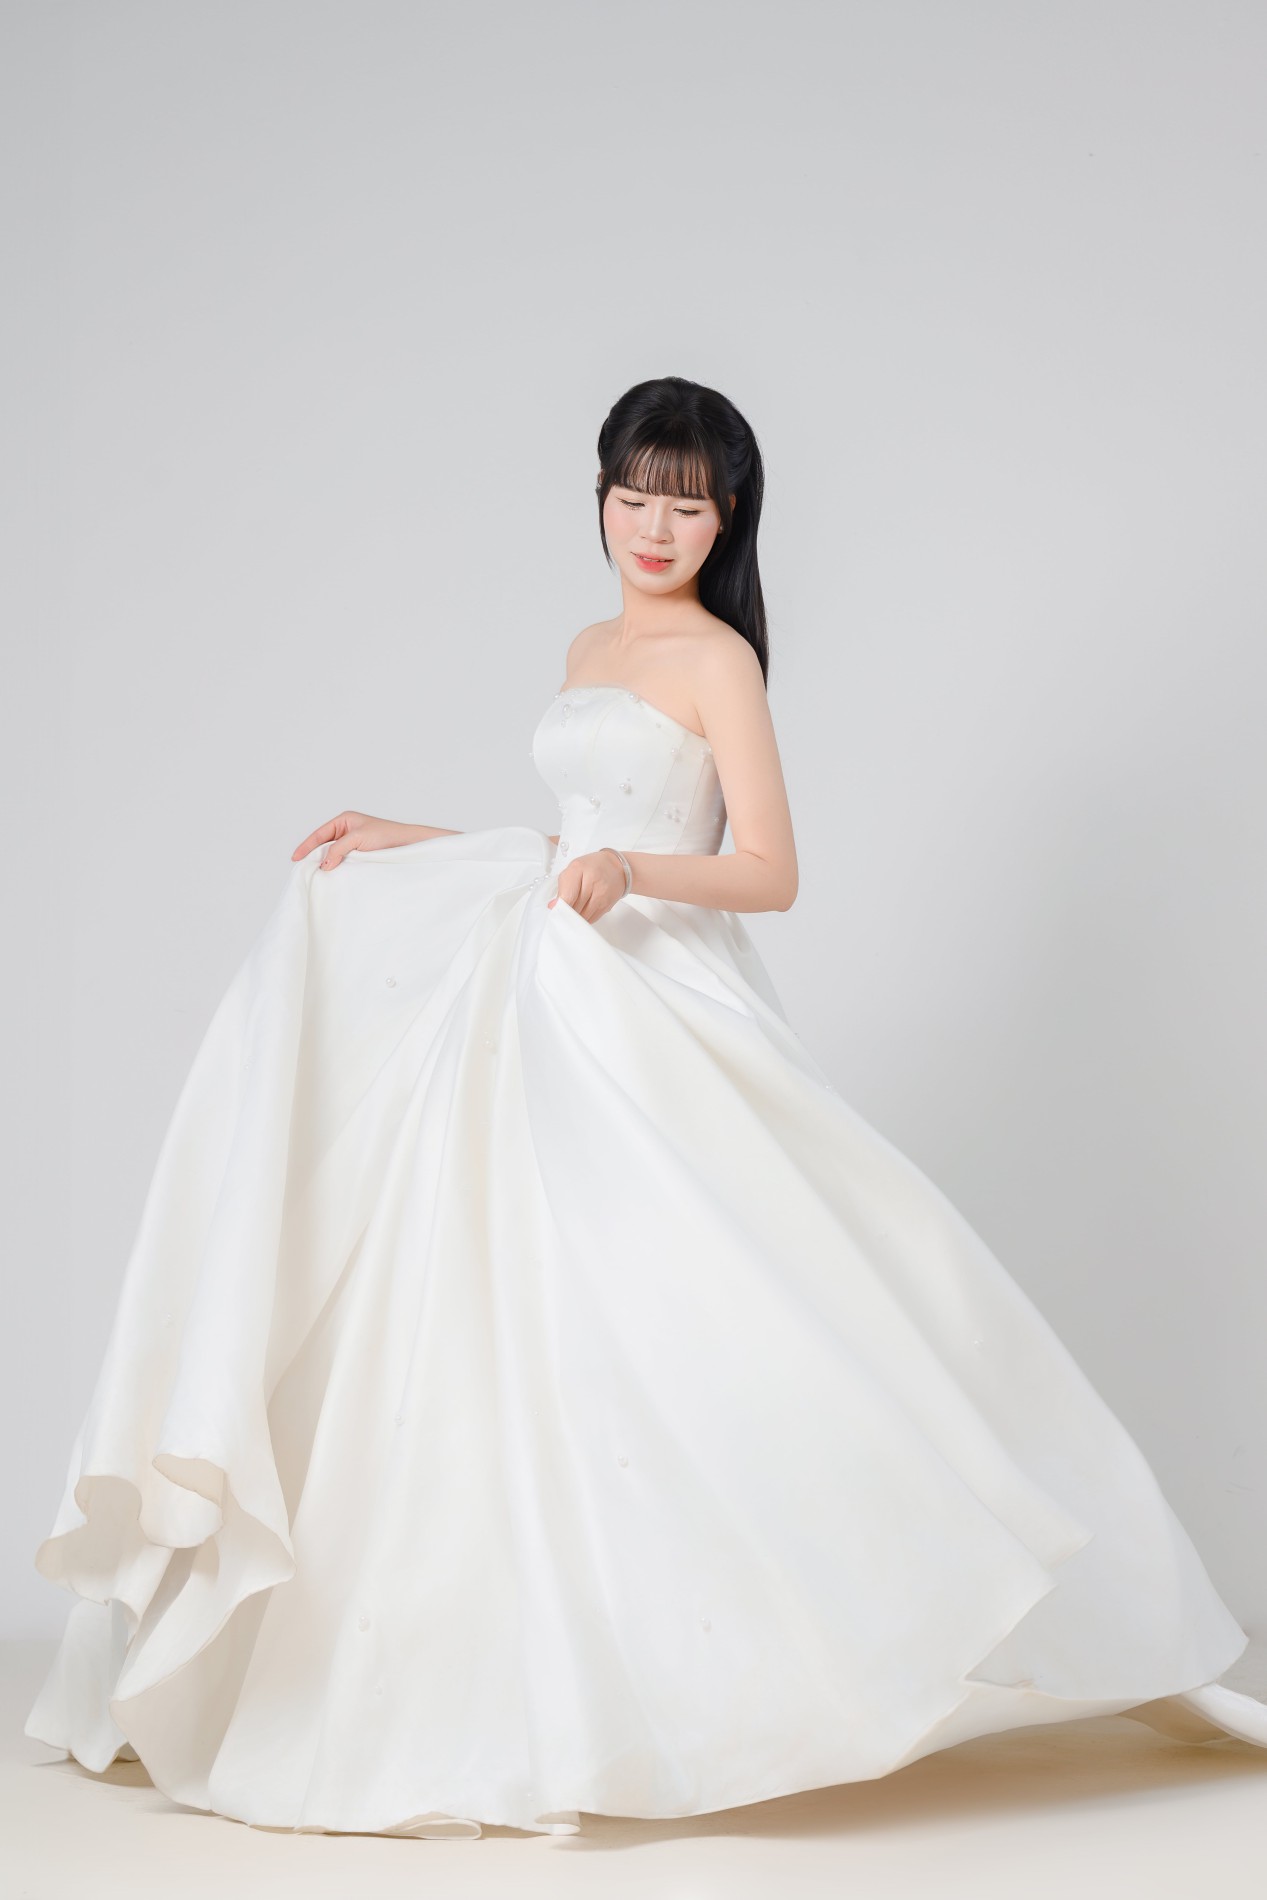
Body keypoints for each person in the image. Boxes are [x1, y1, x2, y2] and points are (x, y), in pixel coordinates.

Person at [25, 376, 1266, 1840]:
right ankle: (526, 1674)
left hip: (654, 1000)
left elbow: (768, 870)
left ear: (727, 516)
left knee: (703, 1306)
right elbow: (574, 832)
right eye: (634, 496)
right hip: (545, 980)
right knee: (498, 1310)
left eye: (686, 502)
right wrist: (417, 837)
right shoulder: (589, 645)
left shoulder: (720, 662)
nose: (656, 526)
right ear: (601, 500)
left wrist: (636, 877)